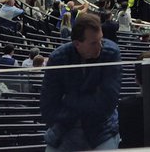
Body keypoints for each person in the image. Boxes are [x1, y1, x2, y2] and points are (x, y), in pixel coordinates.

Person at [40, 12, 122, 151]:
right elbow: (48, 108)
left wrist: (69, 100)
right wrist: (89, 104)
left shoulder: (111, 53)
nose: (100, 46)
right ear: (77, 44)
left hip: (101, 128)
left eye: (101, 40)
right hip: (65, 128)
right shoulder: (58, 58)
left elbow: (108, 102)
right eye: (94, 43)